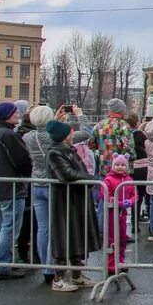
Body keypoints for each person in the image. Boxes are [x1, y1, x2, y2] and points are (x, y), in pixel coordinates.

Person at [43, 119, 102, 291]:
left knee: (77, 236)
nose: (72, 136)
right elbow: (66, 174)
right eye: (69, 133)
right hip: (63, 201)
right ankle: (59, 278)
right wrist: (90, 179)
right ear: (63, 136)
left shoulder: (69, 150)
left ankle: (77, 275)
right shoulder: (55, 152)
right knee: (63, 237)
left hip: (76, 199)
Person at [0, 102, 33, 279]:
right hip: (9, 187)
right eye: (14, 113)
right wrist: (26, 174)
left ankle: (1, 262)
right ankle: (3, 265)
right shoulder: (7, 134)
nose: (17, 115)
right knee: (9, 227)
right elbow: (22, 161)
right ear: (7, 115)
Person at [22, 105, 58, 284]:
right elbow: (81, 135)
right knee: (53, 227)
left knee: (42, 227)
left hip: (36, 181)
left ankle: (45, 266)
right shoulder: (52, 136)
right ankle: (53, 263)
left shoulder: (27, 137)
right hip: (52, 181)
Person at [100, 154, 137, 275]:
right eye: (117, 164)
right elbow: (105, 196)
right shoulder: (108, 180)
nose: (120, 167)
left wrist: (130, 202)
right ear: (112, 165)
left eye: (122, 165)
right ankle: (111, 264)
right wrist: (120, 203)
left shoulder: (129, 180)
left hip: (123, 215)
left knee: (122, 239)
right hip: (111, 214)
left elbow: (134, 195)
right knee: (111, 238)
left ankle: (120, 261)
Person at [89, 99, 134, 180]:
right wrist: (129, 161)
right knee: (120, 192)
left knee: (104, 192)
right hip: (121, 171)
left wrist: (100, 154)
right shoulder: (124, 126)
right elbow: (128, 147)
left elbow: (91, 144)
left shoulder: (99, 125)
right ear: (121, 110)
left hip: (104, 170)